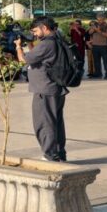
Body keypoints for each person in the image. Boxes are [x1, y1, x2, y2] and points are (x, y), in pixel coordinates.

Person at [16, 17, 68, 162]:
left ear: (44, 28)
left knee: (44, 123)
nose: (34, 34)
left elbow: (24, 59)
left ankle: (49, 155)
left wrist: (18, 46)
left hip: (45, 89)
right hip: (55, 87)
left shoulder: (46, 44)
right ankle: (59, 154)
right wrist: (30, 43)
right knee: (56, 122)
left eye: (35, 31)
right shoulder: (57, 39)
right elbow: (38, 57)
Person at [88, 14, 107, 79]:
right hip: (95, 45)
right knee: (96, 61)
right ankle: (98, 73)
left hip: (104, 46)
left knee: (106, 61)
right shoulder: (95, 25)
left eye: (100, 20)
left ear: (104, 19)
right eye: (98, 20)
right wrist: (93, 29)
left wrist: (98, 30)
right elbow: (89, 32)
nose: (99, 21)